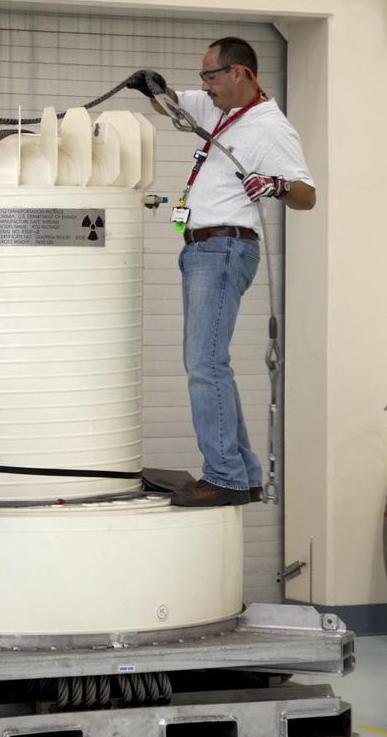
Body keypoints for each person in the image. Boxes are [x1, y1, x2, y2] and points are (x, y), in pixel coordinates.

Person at [129, 36, 315, 508]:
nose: (205, 85)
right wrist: (153, 87)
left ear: (242, 74)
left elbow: (306, 195)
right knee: (213, 364)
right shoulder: (216, 108)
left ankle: (225, 475)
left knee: (204, 364)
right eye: (203, 77)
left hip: (225, 248)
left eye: (212, 75)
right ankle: (244, 473)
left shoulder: (271, 128)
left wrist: (275, 183)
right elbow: (172, 103)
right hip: (202, 248)